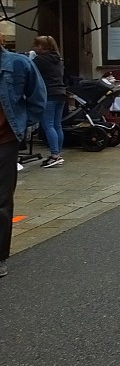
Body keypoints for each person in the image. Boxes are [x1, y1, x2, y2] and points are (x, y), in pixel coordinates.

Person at [0, 45, 47, 277]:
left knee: (2, 200)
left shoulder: (18, 64)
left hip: (4, 141)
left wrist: (21, 125)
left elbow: (38, 98)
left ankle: (0, 256)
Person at [31, 36, 66, 169]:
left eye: (36, 45)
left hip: (49, 94)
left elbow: (31, 71)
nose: (34, 48)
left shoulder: (39, 60)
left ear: (43, 47)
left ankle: (55, 156)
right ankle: (57, 154)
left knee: (48, 125)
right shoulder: (58, 59)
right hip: (60, 93)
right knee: (57, 125)